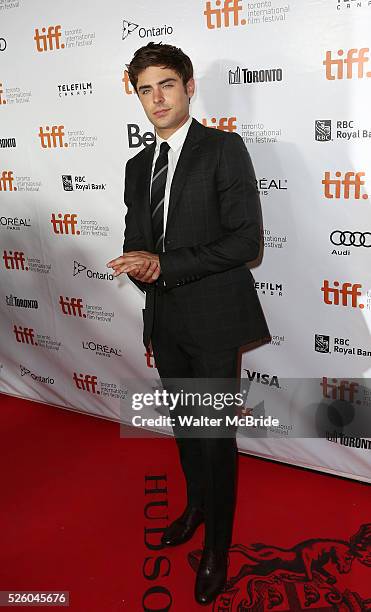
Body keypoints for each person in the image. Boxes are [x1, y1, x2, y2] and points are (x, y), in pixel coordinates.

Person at [107, 42, 270, 606]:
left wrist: (164, 266)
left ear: (189, 86)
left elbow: (246, 242)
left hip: (216, 320)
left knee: (215, 436)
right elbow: (139, 241)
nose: (156, 98)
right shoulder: (136, 165)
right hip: (166, 320)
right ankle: (196, 509)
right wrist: (139, 266)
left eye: (166, 85)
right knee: (185, 427)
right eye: (145, 89)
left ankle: (219, 549)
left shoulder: (223, 149)